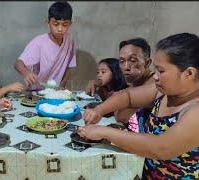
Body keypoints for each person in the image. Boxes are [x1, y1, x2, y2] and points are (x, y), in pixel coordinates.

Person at [80, 33, 199, 179]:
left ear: (189, 73)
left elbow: (160, 148)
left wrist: (105, 132)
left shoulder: (195, 111)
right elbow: (128, 96)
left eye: (161, 71)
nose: (155, 76)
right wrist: (99, 110)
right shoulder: (162, 93)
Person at [14, 1, 76, 89]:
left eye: (65, 24)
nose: (60, 29)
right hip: (38, 91)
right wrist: (26, 73)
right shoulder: (39, 42)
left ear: (70, 24)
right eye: (55, 24)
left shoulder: (69, 41)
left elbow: (69, 65)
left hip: (57, 92)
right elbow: (18, 64)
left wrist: (62, 85)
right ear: (48, 22)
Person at [116, 38, 154, 132]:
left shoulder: (154, 84)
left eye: (132, 60)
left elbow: (121, 116)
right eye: (121, 61)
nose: (126, 67)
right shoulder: (135, 83)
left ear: (147, 63)